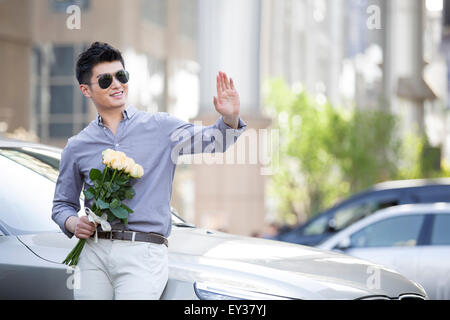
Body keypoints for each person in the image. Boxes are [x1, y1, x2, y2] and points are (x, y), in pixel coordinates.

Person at [52, 42, 246, 300]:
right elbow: (61, 204)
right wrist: (73, 222)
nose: (117, 84)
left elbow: (216, 142)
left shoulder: (161, 127)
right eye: (106, 80)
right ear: (86, 89)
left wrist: (229, 119)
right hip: (93, 252)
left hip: (142, 252)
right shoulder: (77, 146)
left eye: (121, 76)